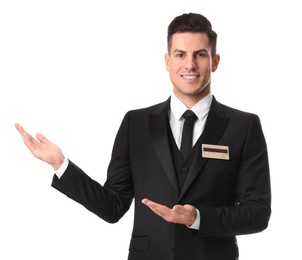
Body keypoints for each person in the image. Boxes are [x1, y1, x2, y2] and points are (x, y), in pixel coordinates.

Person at [15, 12, 271, 260]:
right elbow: (113, 206)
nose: (190, 65)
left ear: (214, 61)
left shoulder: (244, 126)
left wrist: (198, 218)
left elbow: (257, 213)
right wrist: (60, 164)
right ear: (167, 61)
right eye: (180, 54)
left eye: (200, 55)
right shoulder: (135, 124)